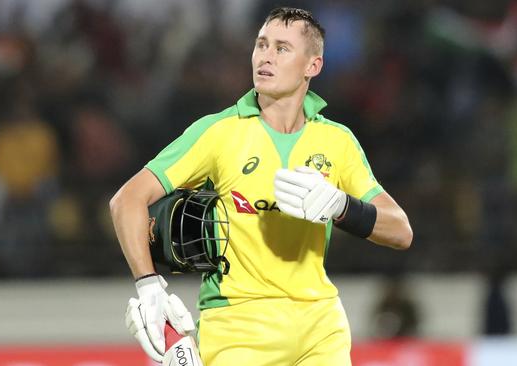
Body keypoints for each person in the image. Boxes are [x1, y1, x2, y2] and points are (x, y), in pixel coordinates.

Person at [110, 7, 412, 366]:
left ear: (312, 66)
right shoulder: (220, 131)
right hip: (238, 326)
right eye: (261, 45)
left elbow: (400, 230)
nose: (265, 57)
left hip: (321, 325)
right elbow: (127, 199)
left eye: (282, 48)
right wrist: (148, 286)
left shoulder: (337, 141)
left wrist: (340, 206)